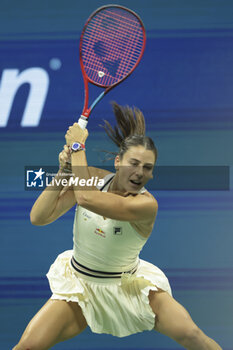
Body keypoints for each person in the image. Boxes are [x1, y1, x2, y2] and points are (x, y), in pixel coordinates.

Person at [13, 103, 222, 350]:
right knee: (27, 346)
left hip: (130, 288)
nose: (139, 172)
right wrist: (63, 171)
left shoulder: (146, 205)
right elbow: (39, 217)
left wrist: (78, 145)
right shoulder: (90, 178)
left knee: (192, 335)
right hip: (81, 287)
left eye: (147, 167)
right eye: (133, 163)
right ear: (117, 162)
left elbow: (86, 199)